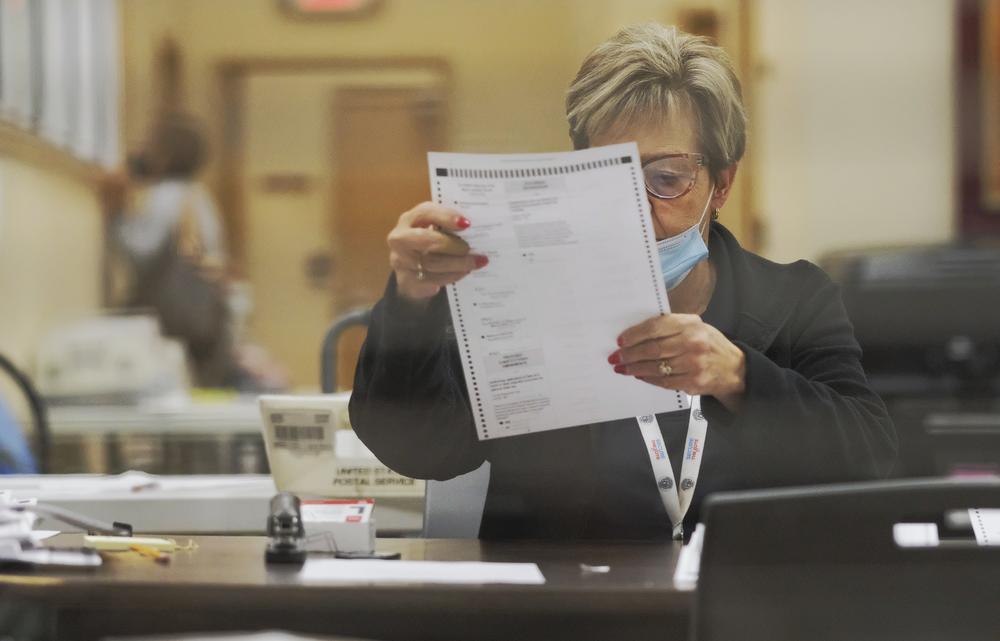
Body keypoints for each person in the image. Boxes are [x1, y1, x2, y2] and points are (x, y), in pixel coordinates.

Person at [349, 23, 897, 540]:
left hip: (736, 608)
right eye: (608, 177)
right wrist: (413, 302)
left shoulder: (792, 300)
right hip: (560, 612)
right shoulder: (525, 300)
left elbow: (869, 456)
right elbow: (420, 450)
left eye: (665, 179)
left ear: (722, 184)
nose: (633, 209)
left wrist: (739, 376)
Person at [101, 112, 233, 387]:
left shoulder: (166, 196)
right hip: (204, 317)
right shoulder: (199, 195)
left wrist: (114, 215)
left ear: (164, 154)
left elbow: (140, 251)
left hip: (172, 319)